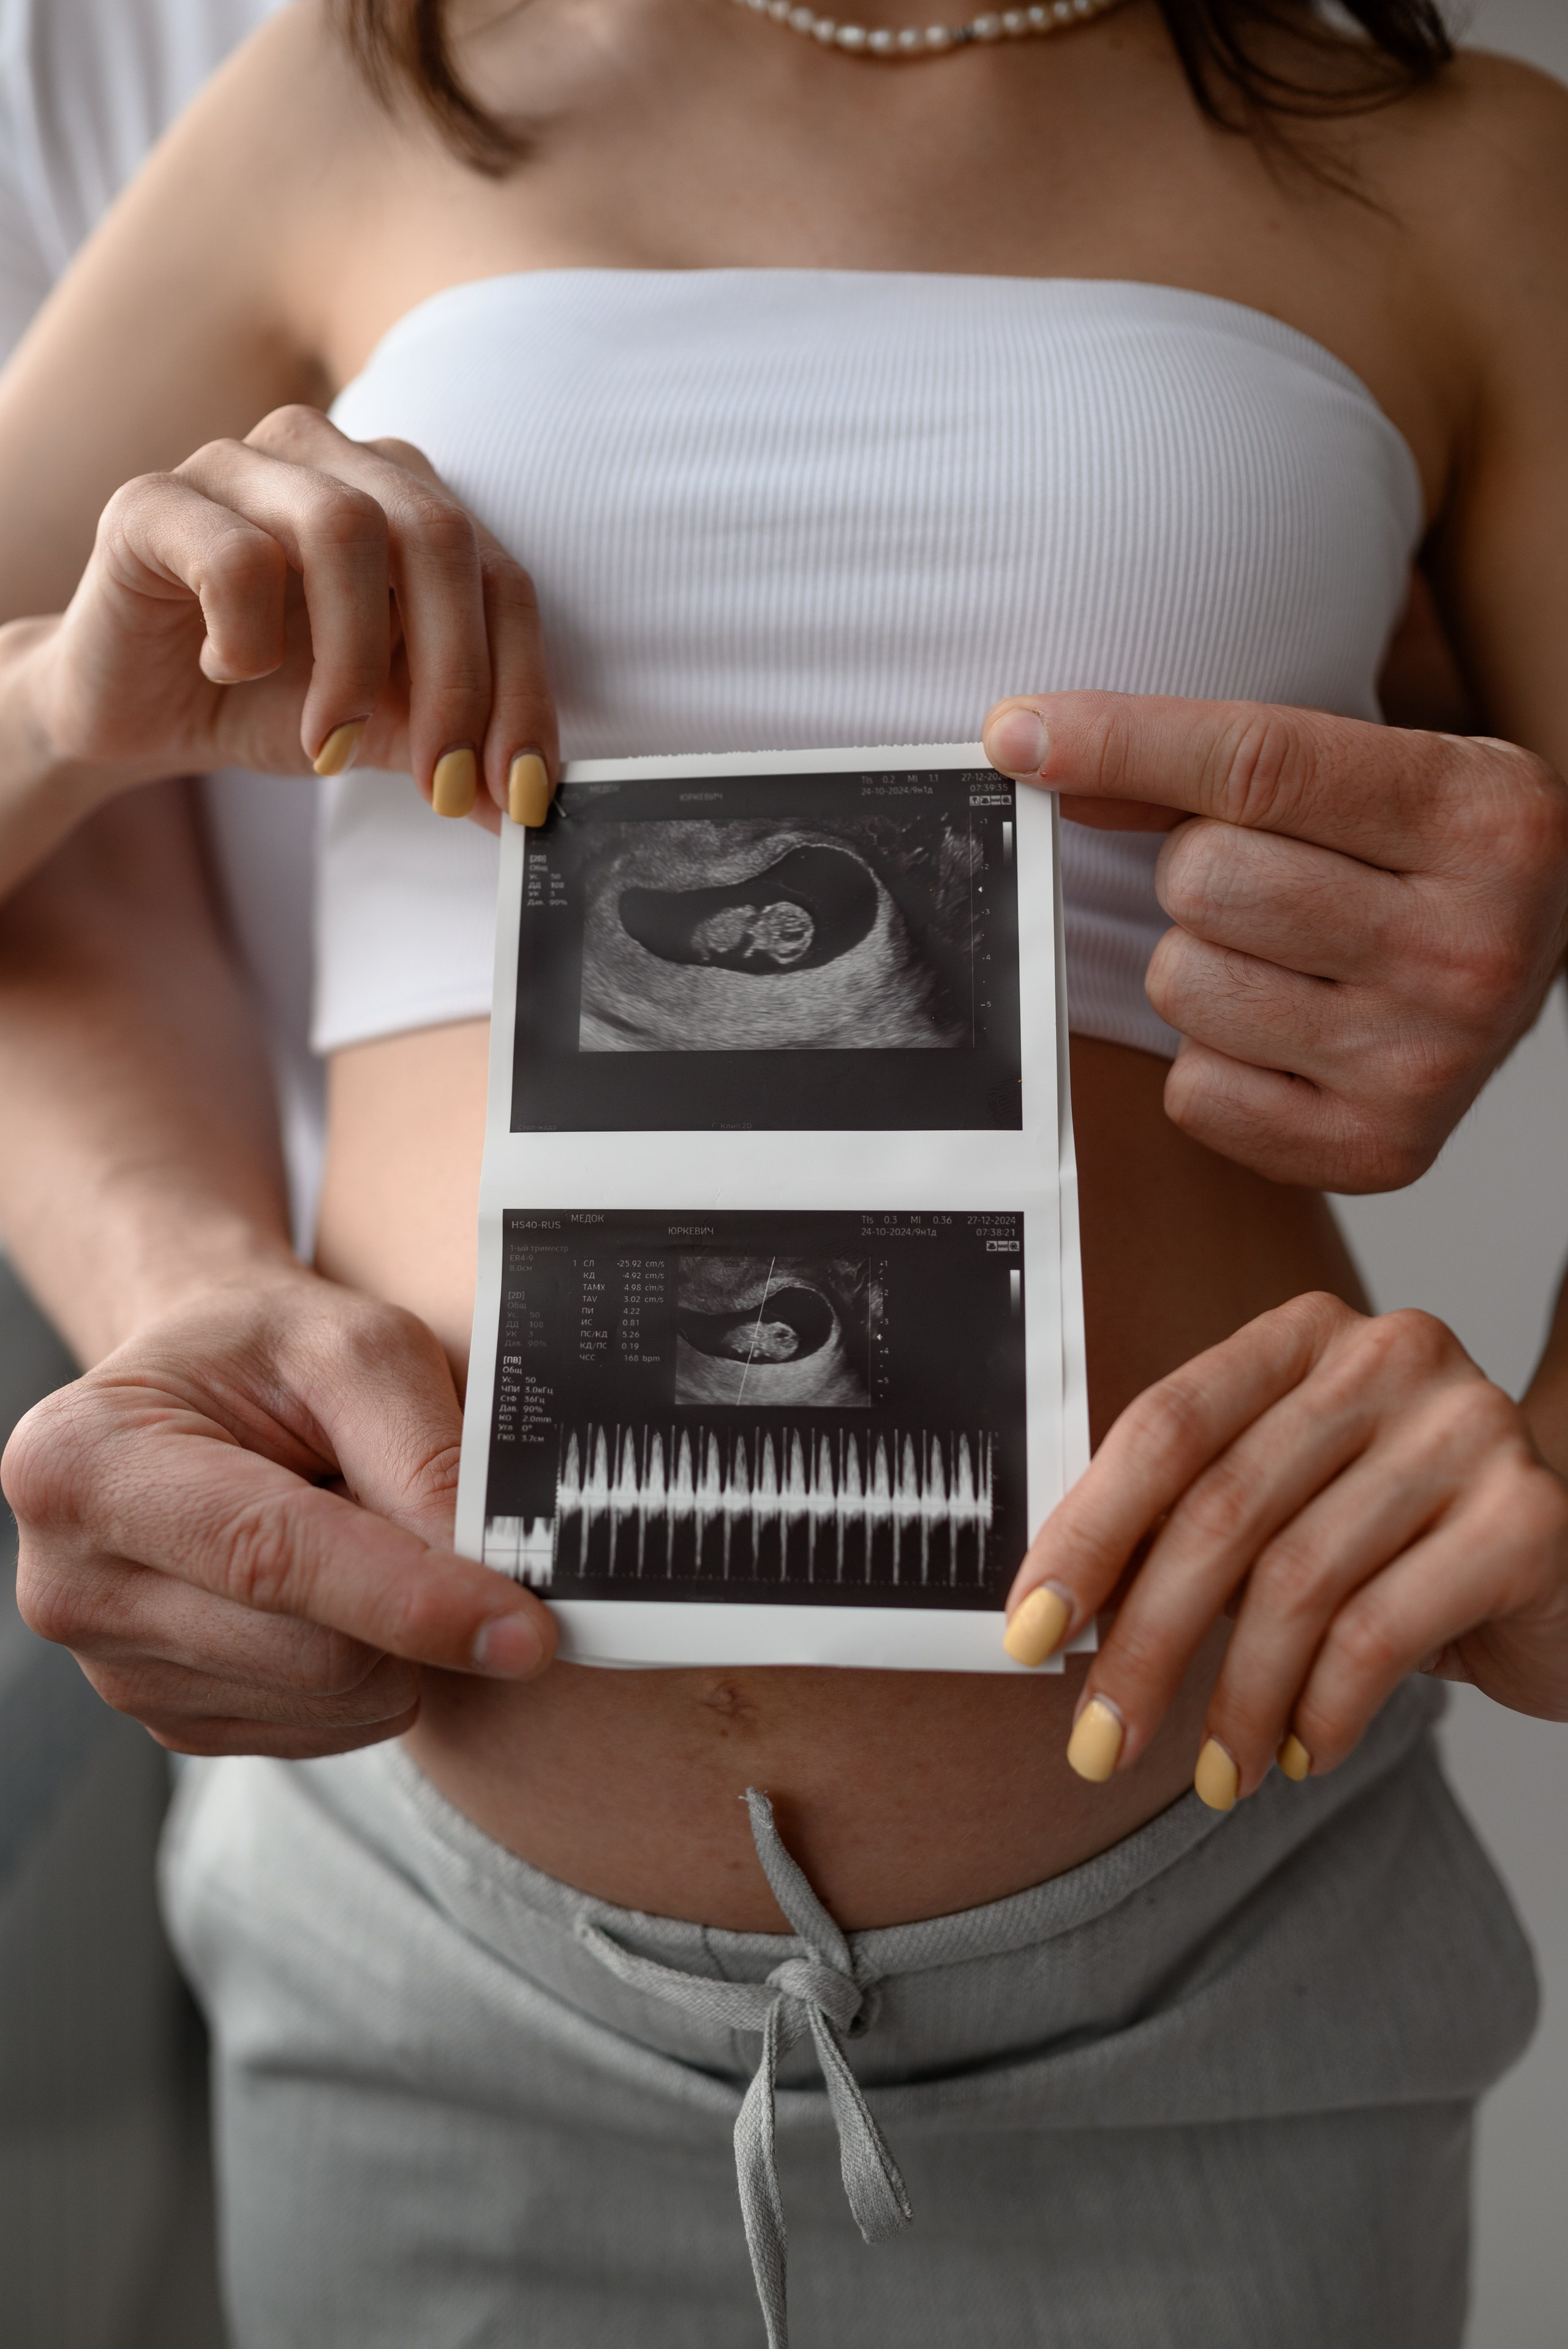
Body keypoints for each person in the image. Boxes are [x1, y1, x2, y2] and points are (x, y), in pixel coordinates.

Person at [1, 1, 1567, 2342]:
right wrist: (56, 709)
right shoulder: (363, 87)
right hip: (427, 1975)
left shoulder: (1464, 170)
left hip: (1222, 1977)